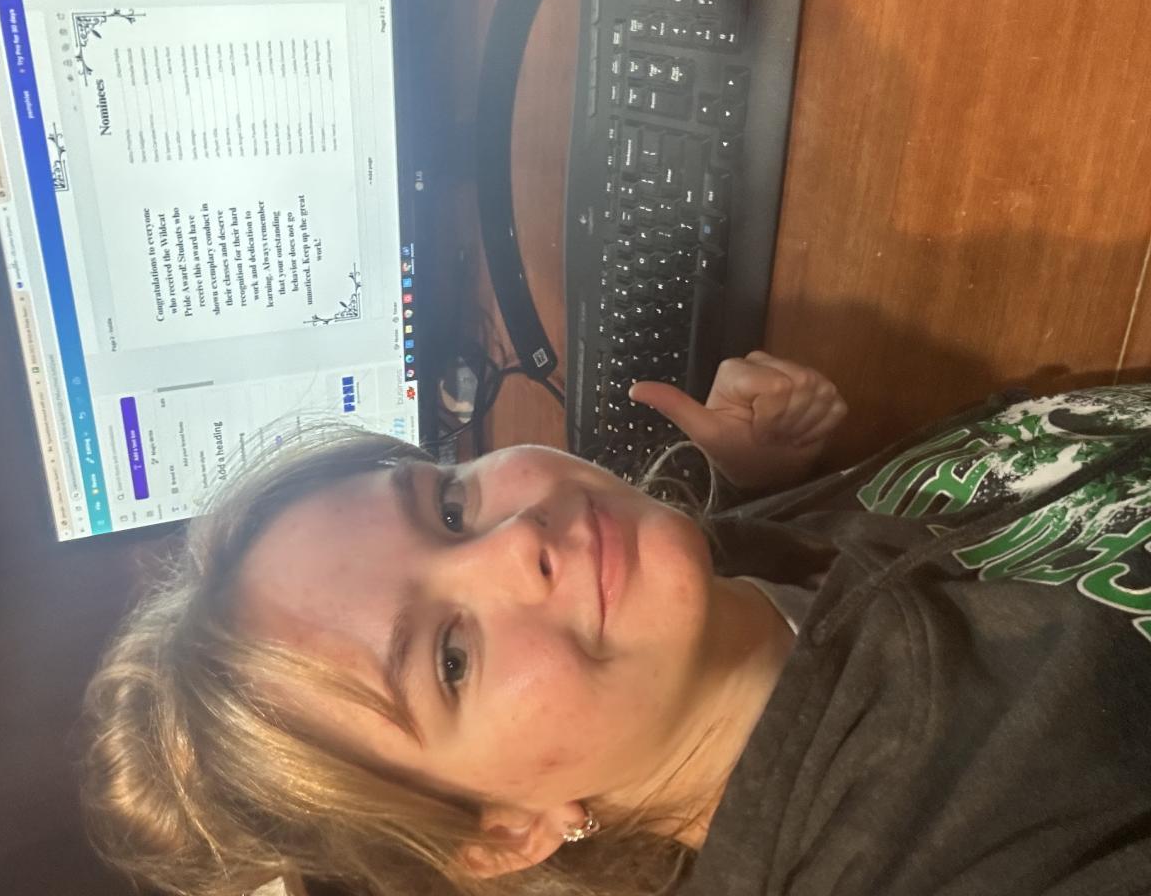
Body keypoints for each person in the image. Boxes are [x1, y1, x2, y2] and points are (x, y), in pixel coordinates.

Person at [80, 351, 1151, 896]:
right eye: (449, 659)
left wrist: (782, 476)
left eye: (446, 506)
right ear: (506, 833)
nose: (514, 543)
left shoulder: (725, 587)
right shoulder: (965, 852)